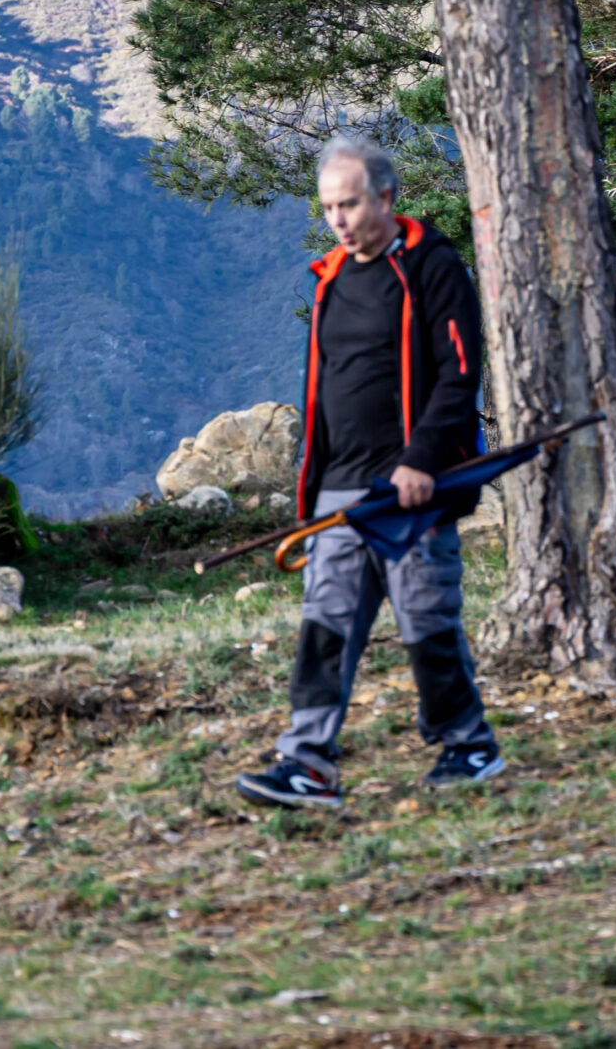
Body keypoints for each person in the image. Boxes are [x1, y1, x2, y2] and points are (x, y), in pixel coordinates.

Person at [236, 137, 505, 808]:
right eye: (329, 207)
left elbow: (459, 374)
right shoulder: (330, 277)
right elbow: (326, 385)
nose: (339, 219)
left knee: (426, 619)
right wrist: (312, 491)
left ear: (385, 197)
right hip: (339, 489)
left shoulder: (432, 267)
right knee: (325, 625)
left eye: (349, 204)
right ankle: (308, 763)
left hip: (412, 488)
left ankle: (469, 745)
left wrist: (422, 461)